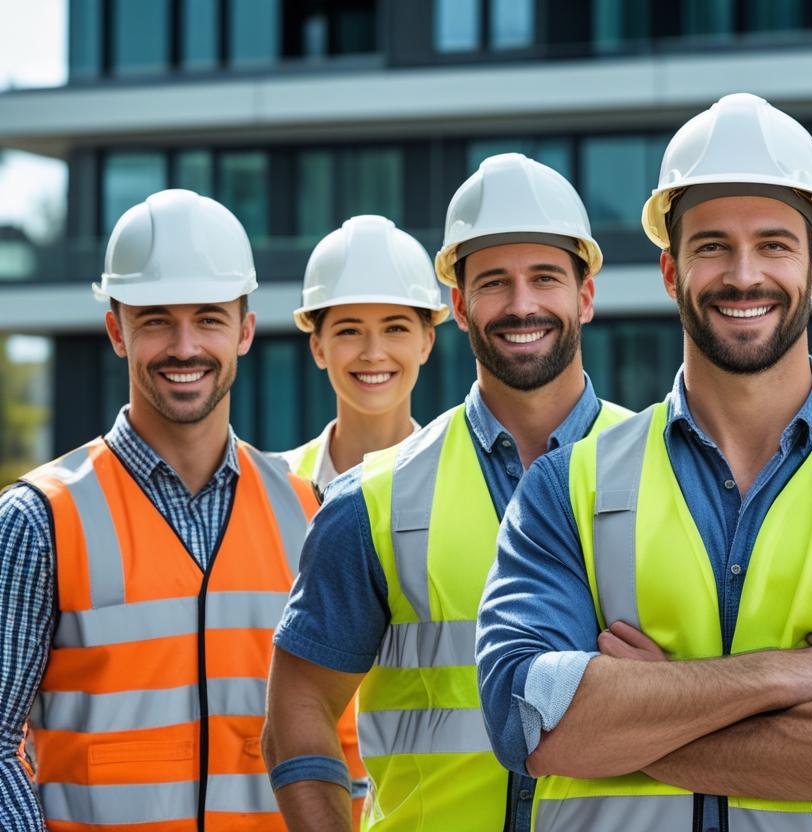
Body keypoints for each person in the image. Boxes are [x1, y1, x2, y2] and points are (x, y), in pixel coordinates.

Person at [476, 93, 812, 831]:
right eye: (713, 246)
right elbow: (526, 723)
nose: (744, 274)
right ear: (671, 271)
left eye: (775, 245)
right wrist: (789, 673)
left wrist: (642, 708)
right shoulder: (566, 488)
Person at [262, 153, 631, 832]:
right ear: (458, 306)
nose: (522, 304)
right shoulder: (372, 500)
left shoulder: (671, 473)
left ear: (585, 293)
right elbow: (296, 712)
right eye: (494, 283)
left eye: (544, 278)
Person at [0, 189, 357, 830]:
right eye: (157, 318)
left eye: (209, 318)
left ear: (245, 331)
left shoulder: (313, 511)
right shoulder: (39, 520)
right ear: (117, 330)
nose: (184, 346)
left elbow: (347, 736)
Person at [279, 215, 446, 493]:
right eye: (349, 331)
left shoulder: (460, 482)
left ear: (426, 343)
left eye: (394, 328)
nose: (373, 353)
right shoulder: (280, 485)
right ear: (318, 349)